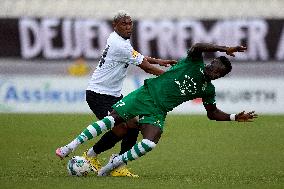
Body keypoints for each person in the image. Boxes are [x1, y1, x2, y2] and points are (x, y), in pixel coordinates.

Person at [56, 42, 258, 176]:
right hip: (145, 95)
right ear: (211, 61)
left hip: (158, 111)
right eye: (214, 66)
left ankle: (111, 167)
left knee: (150, 142)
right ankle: (70, 147)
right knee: (113, 120)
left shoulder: (208, 89)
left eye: (218, 72)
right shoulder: (193, 62)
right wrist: (224, 48)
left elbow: (212, 113)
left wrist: (233, 117)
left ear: (219, 77)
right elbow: (198, 46)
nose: (214, 71)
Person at [56, 10, 176, 177]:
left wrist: (159, 61)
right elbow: (146, 67)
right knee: (122, 127)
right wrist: (171, 77)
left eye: (130, 23)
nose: (128, 27)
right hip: (99, 94)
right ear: (115, 26)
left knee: (134, 125)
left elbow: (136, 55)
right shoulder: (120, 45)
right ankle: (91, 156)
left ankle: (118, 164)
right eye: (124, 24)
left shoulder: (118, 40)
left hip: (112, 94)